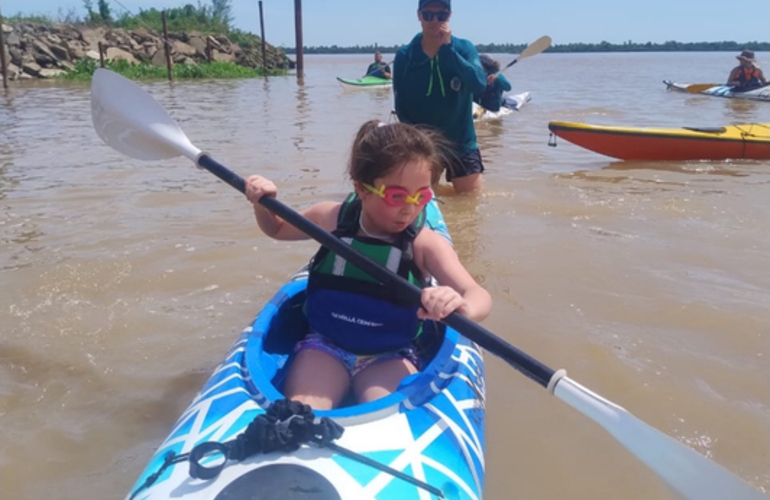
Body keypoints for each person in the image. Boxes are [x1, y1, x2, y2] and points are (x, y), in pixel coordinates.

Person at [244, 121, 492, 410]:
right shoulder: (331, 219)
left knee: (390, 415)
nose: (409, 208)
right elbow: (277, 229)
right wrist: (263, 204)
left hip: (390, 354)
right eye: (397, 196)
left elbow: (477, 294)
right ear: (361, 189)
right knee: (302, 410)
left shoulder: (425, 244)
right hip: (325, 346)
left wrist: (461, 306)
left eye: (421, 196)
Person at [393, 0, 487, 194]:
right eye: (428, 15)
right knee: (422, 205)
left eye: (441, 15)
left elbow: (479, 84)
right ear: (419, 15)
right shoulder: (405, 56)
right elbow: (401, 106)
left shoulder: (463, 48)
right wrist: (416, 142)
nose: (434, 21)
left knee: (472, 206)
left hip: (462, 142)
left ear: (449, 16)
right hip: (423, 146)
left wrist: (447, 51)